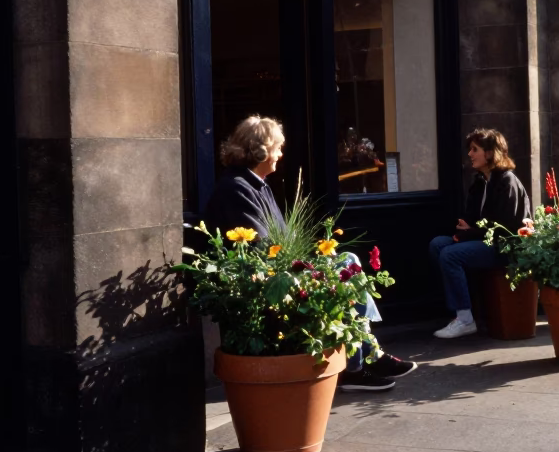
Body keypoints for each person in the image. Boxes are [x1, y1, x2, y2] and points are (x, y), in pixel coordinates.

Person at [204, 116, 415, 391]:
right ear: (261, 150)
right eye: (277, 147)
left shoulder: (253, 184)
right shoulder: (237, 188)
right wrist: (306, 263)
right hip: (268, 279)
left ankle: (362, 359)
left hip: (280, 269)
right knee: (347, 263)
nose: (280, 154)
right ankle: (363, 361)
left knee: (347, 261)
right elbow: (261, 247)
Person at [430, 129, 530, 339]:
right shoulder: (479, 182)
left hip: (503, 246)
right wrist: (465, 228)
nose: (470, 154)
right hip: (481, 239)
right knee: (438, 244)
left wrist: (468, 233)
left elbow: (504, 226)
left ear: (491, 153)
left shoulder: (506, 181)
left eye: (475, 149)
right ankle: (461, 311)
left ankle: (466, 320)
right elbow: (473, 218)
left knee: (450, 254)